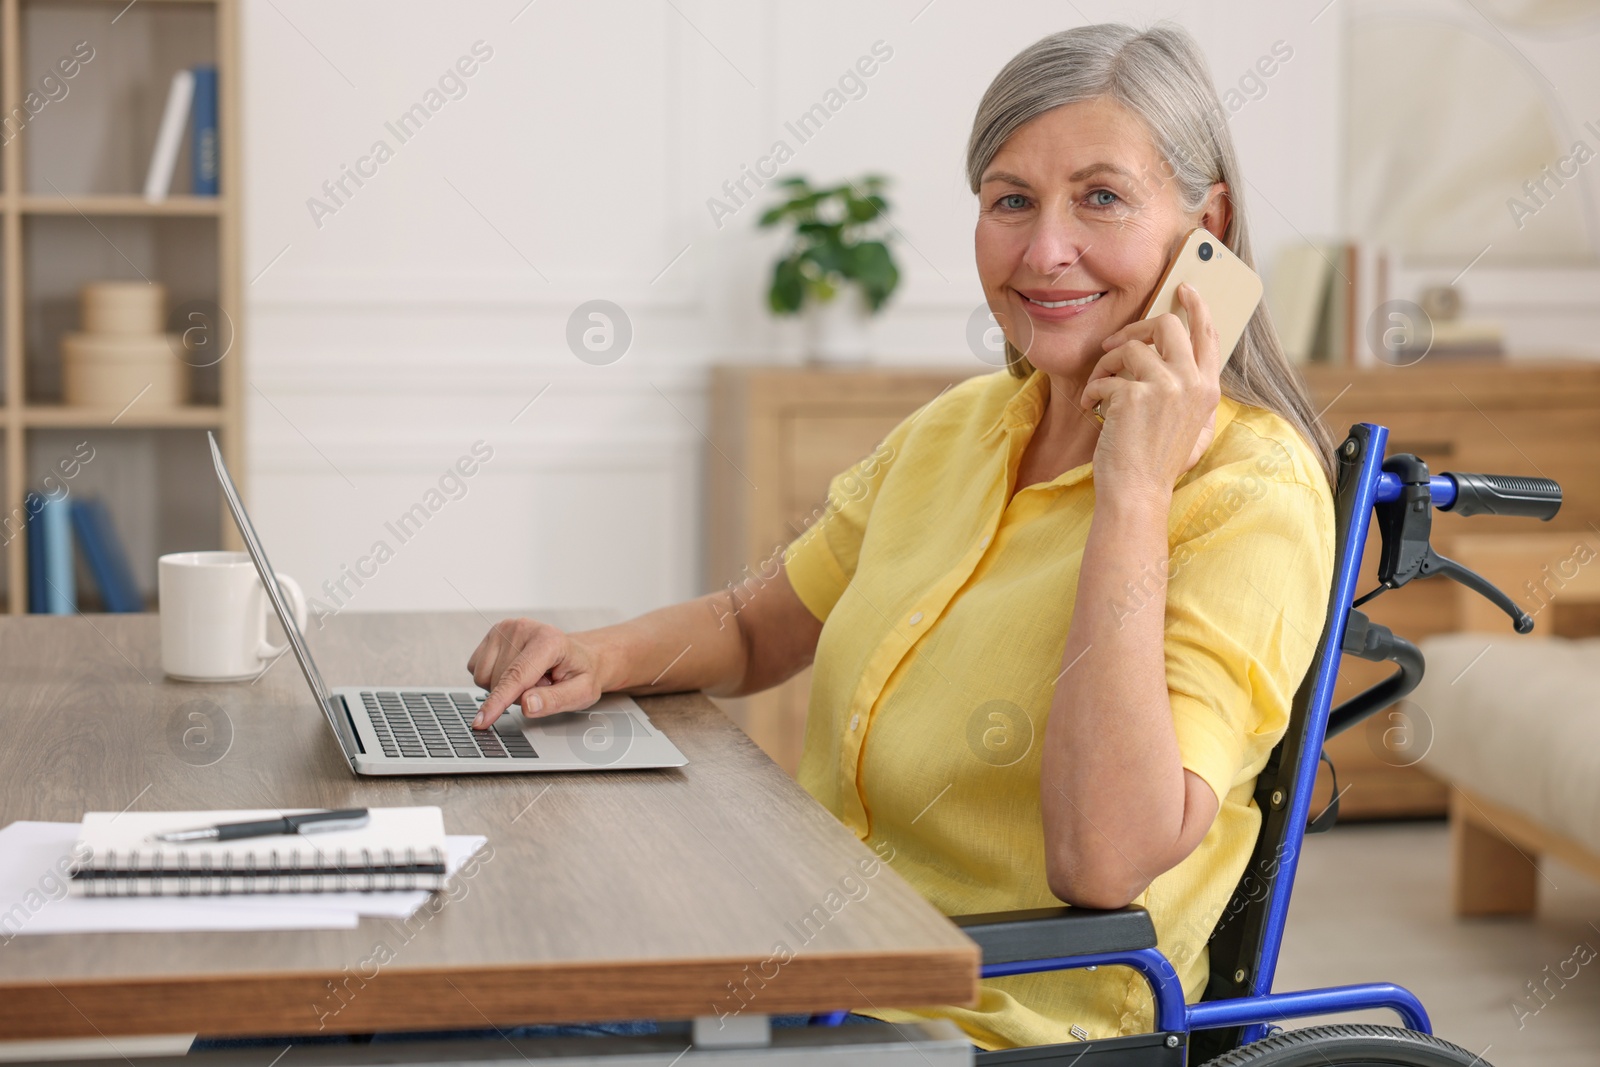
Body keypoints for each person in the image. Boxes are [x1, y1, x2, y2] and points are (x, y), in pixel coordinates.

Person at [467, 22, 1335, 1052]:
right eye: (1010, 200)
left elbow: (1103, 861)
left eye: (1099, 197)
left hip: (971, 1026)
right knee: (439, 984)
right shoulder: (959, 426)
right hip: (800, 965)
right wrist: (594, 654)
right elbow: (756, 627)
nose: (1043, 249)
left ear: (1208, 228)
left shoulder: (1251, 497)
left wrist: (1132, 491)